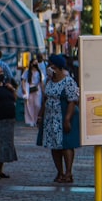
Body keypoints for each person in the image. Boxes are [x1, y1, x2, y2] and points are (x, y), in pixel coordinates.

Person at [39, 54, 81, 184]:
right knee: (54, 145)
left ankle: (68, 172)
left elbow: (72, 101)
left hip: (63, 116)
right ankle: (59, 172)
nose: (49, 68)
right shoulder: (49, 82)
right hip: (51, 118)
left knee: (66, 145)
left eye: (51, 66)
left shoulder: (68, 82)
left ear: (57, 67)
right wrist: (41, 115)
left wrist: (67, 119)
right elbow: (45, 99)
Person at [21, 59, 44, 127]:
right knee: (29, 105)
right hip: (29, 89)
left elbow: (41, 82)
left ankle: (36, 119)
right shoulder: (27, 71)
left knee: (37, 105)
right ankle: (30, 120)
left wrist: (43, 91)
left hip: (37, 90)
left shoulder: (39, 72)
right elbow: (23, 80)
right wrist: (23, 88)